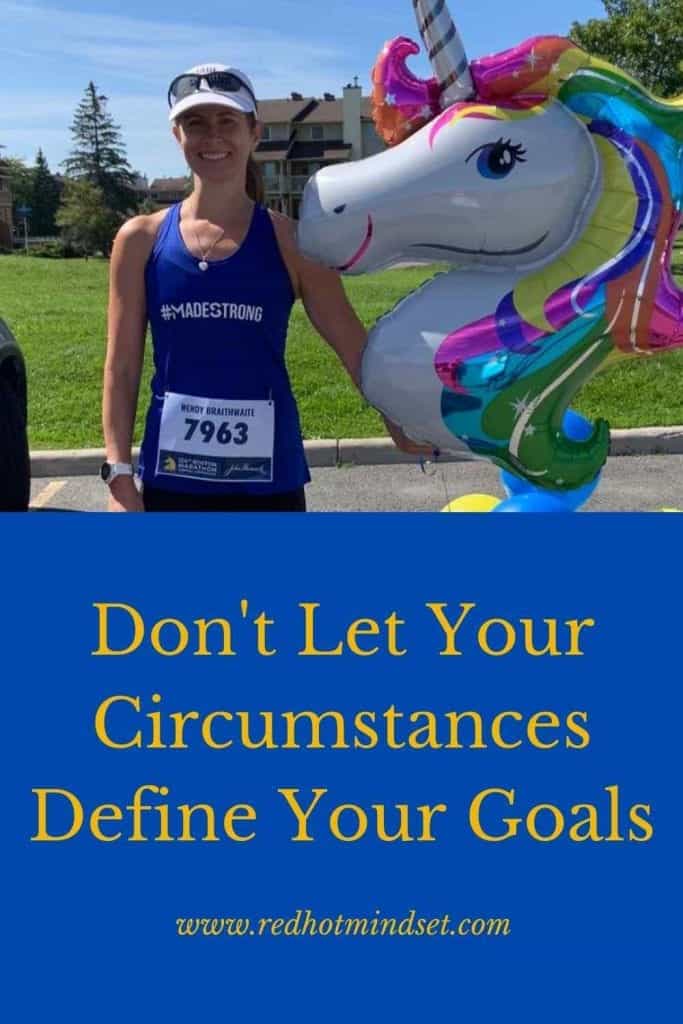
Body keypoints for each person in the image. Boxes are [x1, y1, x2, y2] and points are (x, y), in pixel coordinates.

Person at [103, 63, 429, 512]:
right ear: (178, 135)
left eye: (227, 122)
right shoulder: (140, 240)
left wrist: (398, 416)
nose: (212, 137)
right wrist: (119, 473)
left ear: (254, 133)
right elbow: (121, 368)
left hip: (267, 483)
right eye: (195, 123)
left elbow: (352, 344)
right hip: (174, 477)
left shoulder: (292, 241)